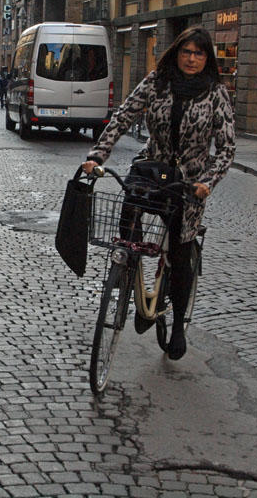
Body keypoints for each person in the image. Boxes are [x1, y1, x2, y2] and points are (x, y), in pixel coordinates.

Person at [81, 26, 236, 360]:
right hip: (154, 166)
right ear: (176, 52)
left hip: (190, 181)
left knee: (180, 255)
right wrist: (97, 155)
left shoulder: (215, 93)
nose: (192, 59)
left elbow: (226, 149)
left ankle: (177, 321)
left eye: (199, 53)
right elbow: (123, 118)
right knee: (128, 212)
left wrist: (207, 182)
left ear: (206, 58)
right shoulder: (156, 82)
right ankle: (130, 276)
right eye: (186, 52)